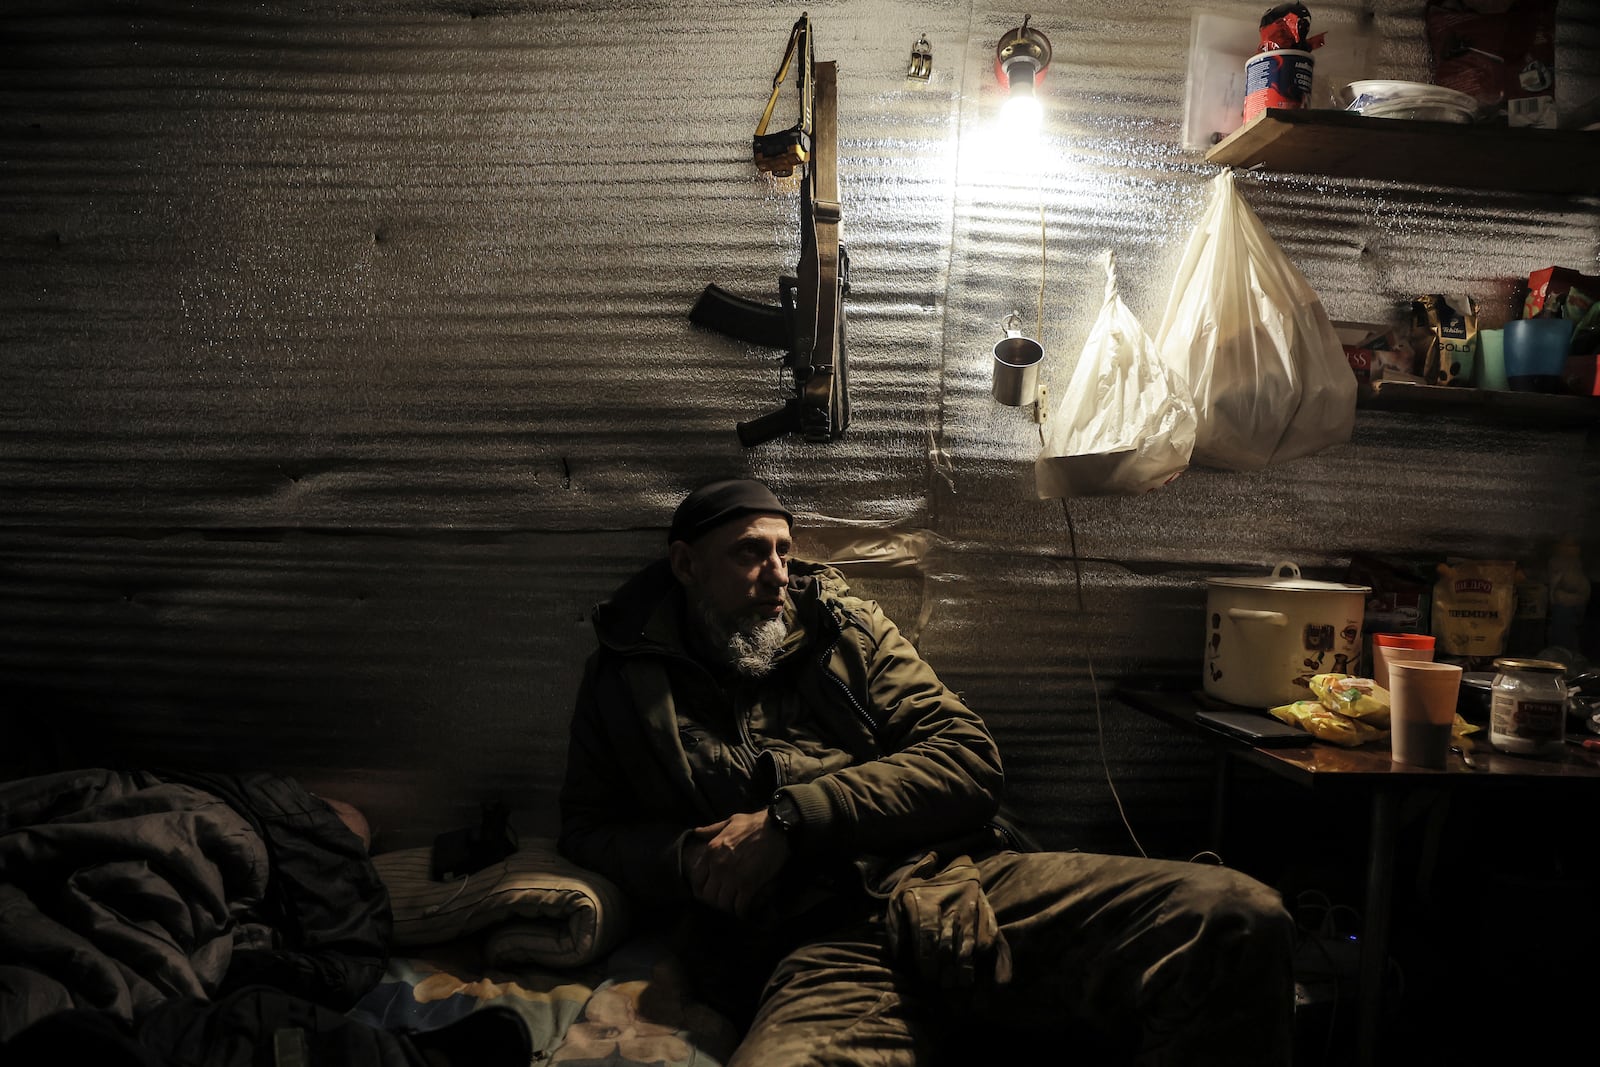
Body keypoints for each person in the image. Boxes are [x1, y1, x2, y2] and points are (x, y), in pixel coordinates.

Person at [558, 478, 1296, 1066]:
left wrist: (793, 818)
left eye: (785, 550)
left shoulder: (844, 629)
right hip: (821, 946)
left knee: (1234, 914)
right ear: (686, 564)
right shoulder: (624, 681)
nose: (778, 574)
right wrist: (690, 859)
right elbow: (588, 830)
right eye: (750, 554)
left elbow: (969, 759)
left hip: (954, 881)